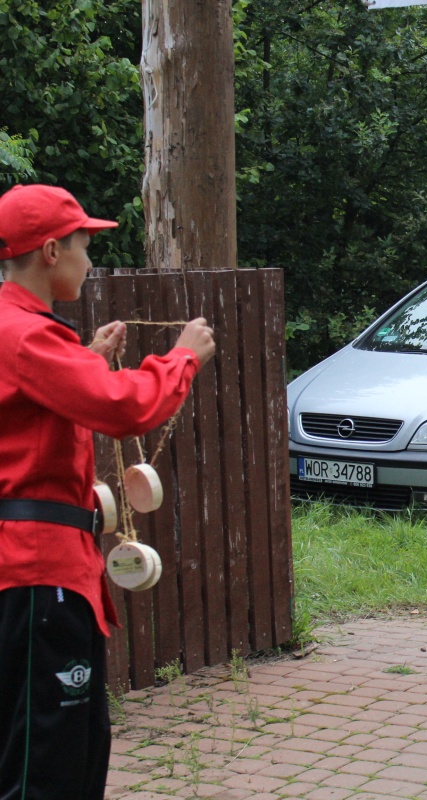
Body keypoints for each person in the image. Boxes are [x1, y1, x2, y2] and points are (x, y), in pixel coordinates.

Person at [0, 184, 216, 800]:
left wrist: (89, 357)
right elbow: (124, 409)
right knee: (46, 761)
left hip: (31, 568)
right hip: (37, 571)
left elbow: (37, 407)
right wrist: (182, 359)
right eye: (83, 245)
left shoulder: (21, 332)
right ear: (50, 251)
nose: (89, 260)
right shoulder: (26, 335)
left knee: (52, 741)